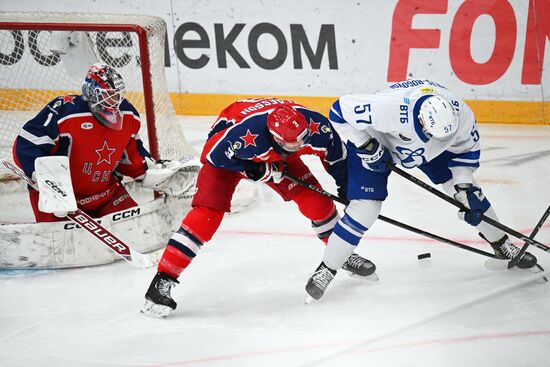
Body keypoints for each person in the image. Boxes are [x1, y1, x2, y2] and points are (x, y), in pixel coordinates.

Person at [141, 98, 377, 318]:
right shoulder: (243, 135)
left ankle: (341, 254)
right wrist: (254, 169)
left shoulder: (316, 127)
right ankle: (162, 280)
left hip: (275, 155)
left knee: (317, 203)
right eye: (291, 143)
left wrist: (347, 186)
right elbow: (211, 155)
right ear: (274, 136)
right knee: (206, 217)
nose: (299, 146)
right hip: (228, 158)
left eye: (302, 140)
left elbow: (336, 156)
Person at [304, 78, 538, 300]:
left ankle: (501, 244)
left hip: (426, 151)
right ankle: (328, 268)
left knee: (470, 195)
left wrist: (463, 186)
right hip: (379, 141)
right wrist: (366, 145)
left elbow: (465, 154)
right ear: (422, 121)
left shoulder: (461, 116)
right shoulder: (392, 109)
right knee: (366, 209)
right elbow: (338, 110)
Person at [13, 63, 191, 222]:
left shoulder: (128, 115)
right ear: (91, 92)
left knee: (138, 228)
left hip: (106, 194)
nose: (115, 102)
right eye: (108, 95)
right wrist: (42, 178)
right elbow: (27, 143)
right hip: (61, 197)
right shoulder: (66, 110)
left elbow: (131, 156)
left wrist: (151, 173)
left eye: (117, 95)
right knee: (58, 246)